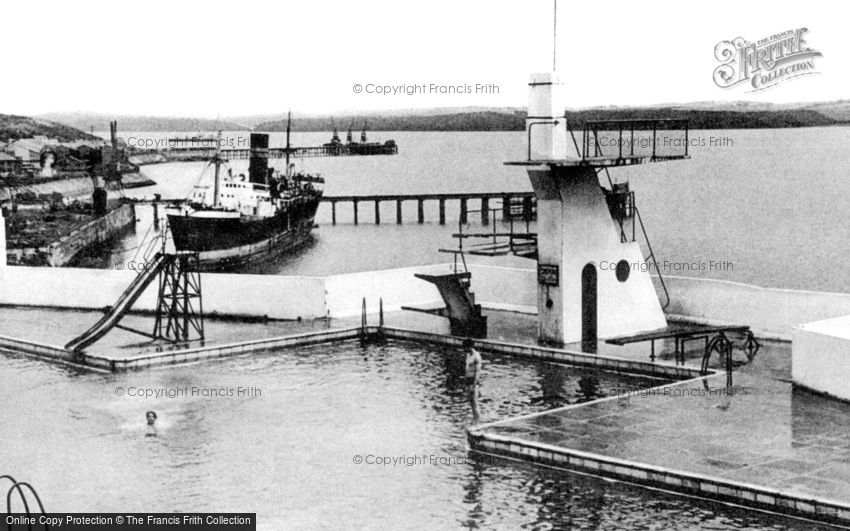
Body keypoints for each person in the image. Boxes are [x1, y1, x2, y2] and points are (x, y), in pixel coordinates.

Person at [463, 339, 482, 421]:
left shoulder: (476, 356)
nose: (464, 349)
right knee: (471, 403)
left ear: (470, 347)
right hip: (468, 380)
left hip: (474, 381)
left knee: (475, 403)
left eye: (465, 347)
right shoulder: (468, 355)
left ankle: (477, 422)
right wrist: (465, 383)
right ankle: (474, 419)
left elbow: (477, 372)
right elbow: (467, 369)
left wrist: (474, 385)